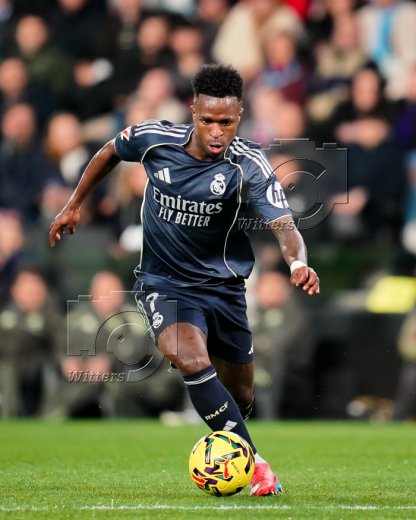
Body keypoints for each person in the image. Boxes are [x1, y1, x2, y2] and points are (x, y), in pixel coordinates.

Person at [49, 63, 320, 496]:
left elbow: (284, 225)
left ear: (240, 116)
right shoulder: (155, 140)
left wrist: (297, 264)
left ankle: (232, 434)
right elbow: (110, 151)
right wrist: (74, 203)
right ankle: (257, 467)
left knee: (241, 395)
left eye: (226, 123)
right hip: (164, 284)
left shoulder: (248, 163)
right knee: (190, 358)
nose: (216, 132)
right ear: (193, 111)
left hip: (223, 287)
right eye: (208, 120)